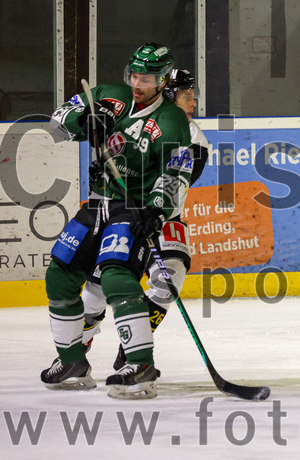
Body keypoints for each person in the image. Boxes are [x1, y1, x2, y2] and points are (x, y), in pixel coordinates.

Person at [41, 43, 192, 399]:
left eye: (148, 78)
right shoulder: (108, 96)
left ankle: (140, 364)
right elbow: (56, 124)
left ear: (163, 81)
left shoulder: (170, 119)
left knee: (116, 276)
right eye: (135, 75)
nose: (139, 83)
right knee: (60, 273)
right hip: (98, 202)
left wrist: (157, 208)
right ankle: (72, 360)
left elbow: (178, 169)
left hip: (133, 207)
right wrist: (84, 121)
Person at [80, 68, 210, 374]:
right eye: (187, 96)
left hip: (163, 217)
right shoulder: (128, 120)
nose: (193, 103)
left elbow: (176, 183)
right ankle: (76, 347)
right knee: (97, 289)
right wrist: (102, 172)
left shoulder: (195, 139)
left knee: (170, 278)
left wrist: (155, 210)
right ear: (167, 96)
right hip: (119, 215)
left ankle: (134, 345)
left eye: (193, 96)